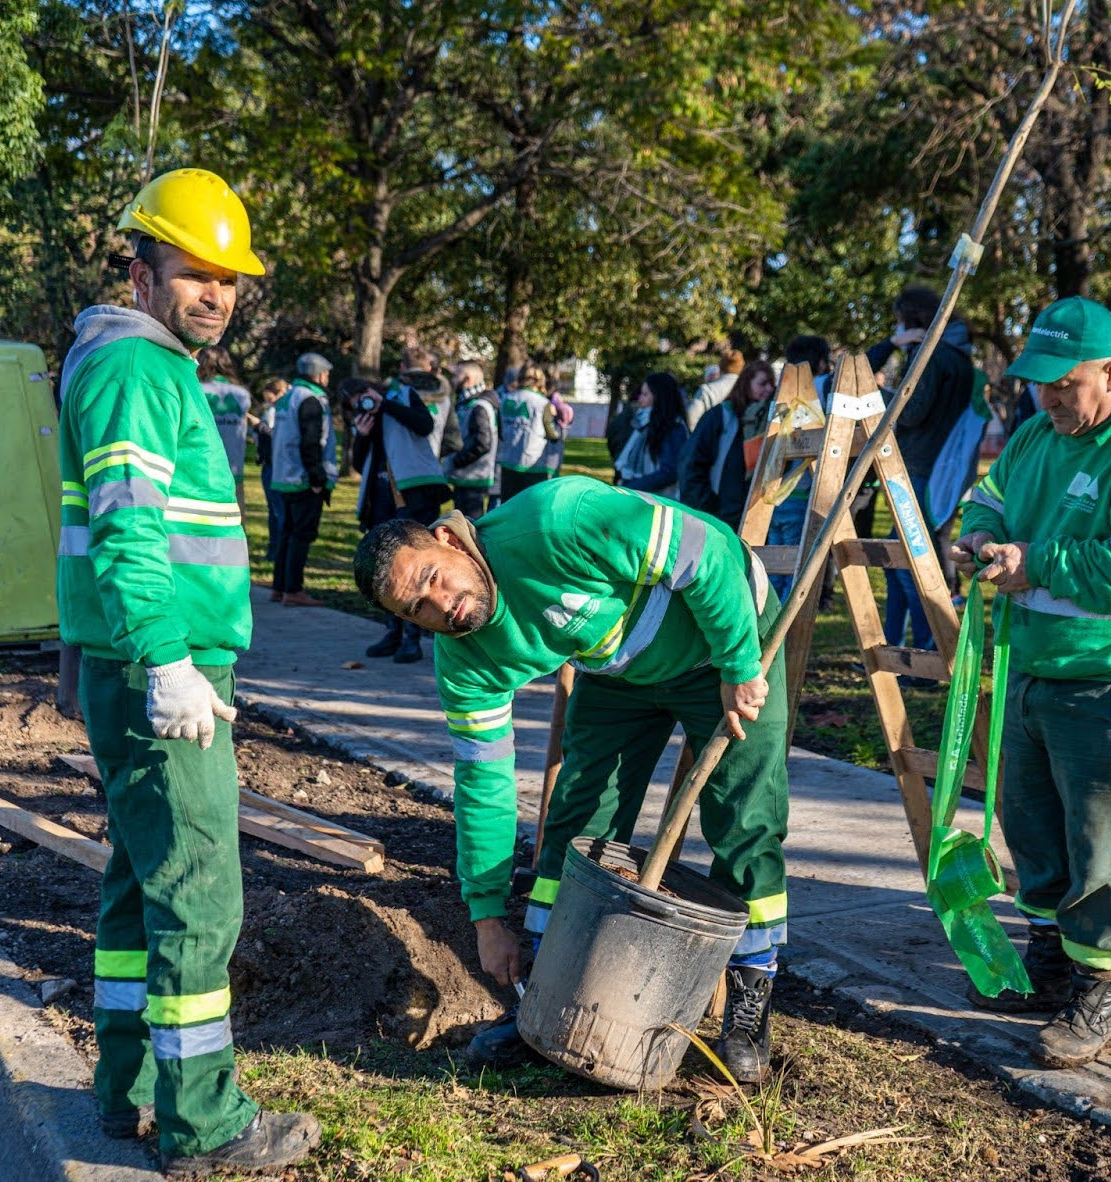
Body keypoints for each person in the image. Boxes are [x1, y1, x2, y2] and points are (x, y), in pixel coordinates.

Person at [351, 477, 791, 1083]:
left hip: (723, 635)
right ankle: (547, 991)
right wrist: (485, 917)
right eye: (415, 610)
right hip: (618, 670)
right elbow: (484, 783)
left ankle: (749, 1004)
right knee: (578, 818)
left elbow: (702, 552)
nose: (439, 607)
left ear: (449, 539)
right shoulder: (464, 659)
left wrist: (740, 665)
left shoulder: (559, 520)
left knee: (742, 817)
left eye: (431, 579)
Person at [56, 168, 319, 1176]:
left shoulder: (144, 365)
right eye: (193, 274)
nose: (215, 294)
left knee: (138, 885)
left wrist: (91, 656)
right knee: (200, 894)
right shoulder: (136, 368)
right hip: (167, 671)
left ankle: (123, 1088)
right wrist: (165, 663)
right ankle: (205, 1126)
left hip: (143, 666)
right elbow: (125, 529)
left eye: (229, 280)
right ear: (140, 270)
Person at [951, 296, 1111, 1070]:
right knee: (1029, 823)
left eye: (1064, 384)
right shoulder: (1035, 435)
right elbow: (992, 496)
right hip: (1029, 665)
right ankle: (1050, 962)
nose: (1049, 398)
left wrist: (1032, 565)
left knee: (1100, 839)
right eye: (1038, 383)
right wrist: (976, 531)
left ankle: (1099, 992)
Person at [865, 288, 974, 657]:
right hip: (933, 467)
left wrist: (878, 398)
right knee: (899, 564)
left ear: (912, 321)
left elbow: (911, 413)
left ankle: (929, 651)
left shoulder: (933, 357)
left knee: (910, 566)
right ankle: (893, 648)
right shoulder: (959, 357)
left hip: (919, 469)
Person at [352, 347, 457, 663]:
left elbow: (423, 425)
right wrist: (361, 433)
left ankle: (412, 638)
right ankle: (392, 633)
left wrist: (389, 406)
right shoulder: (388, 402)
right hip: (381, 495)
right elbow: (360, 461)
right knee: (384, 567)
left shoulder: (408, 397)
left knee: (417, 564)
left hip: (414, 493)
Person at [765, 336, 832, 599]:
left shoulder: (782, 394)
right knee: (795, 574)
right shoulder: (823, 388)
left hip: (776, 495)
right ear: (821, 361)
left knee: (772, 571)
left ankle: (765, 626)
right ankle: (780, 634)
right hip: (803, 492)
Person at [269, 353, 338, 607]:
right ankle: (293, 590)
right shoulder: (311, 399)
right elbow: (311, 442)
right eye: (327, 373)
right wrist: (317, 477)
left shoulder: (288, 396)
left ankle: (279, 587)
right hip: (303, 478)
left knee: (286, 533)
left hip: (283, 476)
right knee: (301, 535)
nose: (328, 378)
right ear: (318, 374)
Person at [679, 359, 777, 528]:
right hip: (717, 512)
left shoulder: (768, 421)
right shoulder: (721, 416)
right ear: (746, 384)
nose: (769, 389)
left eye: (772, 384)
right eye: (762, 384)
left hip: (747, 514)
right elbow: (691, 463)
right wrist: (706, 504)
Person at [497, 363, 572, 501]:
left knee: (508, 509)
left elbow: (500, 431)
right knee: (530, 509)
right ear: (540, 380)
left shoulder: (505, 399)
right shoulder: (543, 403)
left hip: (508, 463)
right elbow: (553, 434)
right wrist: (564, 427)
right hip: (532, 465)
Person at [613, 371, 689, 497]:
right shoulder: (644, 424)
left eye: (645, 394)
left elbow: (669, 472)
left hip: (660, 501)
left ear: (659, 397)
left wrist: (631, 486)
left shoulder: (673, 428)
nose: (639, 399)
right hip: (644, 497)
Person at [196, 347, 251, 514]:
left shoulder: (196, 389)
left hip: (200, 466)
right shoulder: (242, 394)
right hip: (234, 465)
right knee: (236, 516)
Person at [444, 361, 500, 520]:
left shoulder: (478, 406)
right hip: (465, 476)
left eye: (456, 376)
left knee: (470, 527)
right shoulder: (466, 404)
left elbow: (482, 442)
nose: (453, 380)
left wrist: (458, 460)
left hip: (473, 477)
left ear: (467, 379)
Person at [255, 376, 289, 564]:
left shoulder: (280, 412)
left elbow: (277, 437)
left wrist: (259, 426)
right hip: (268, 465)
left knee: (278, 511)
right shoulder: (273, 411)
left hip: (276, 466)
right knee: (273, 510)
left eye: (271, 399)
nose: (270, 403)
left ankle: (279, 550)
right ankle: (274, 549)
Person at [685, 348, 745, 430]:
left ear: (721, 367)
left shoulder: (707, 390)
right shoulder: (749, 390)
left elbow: (690, 419)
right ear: (741, 368)